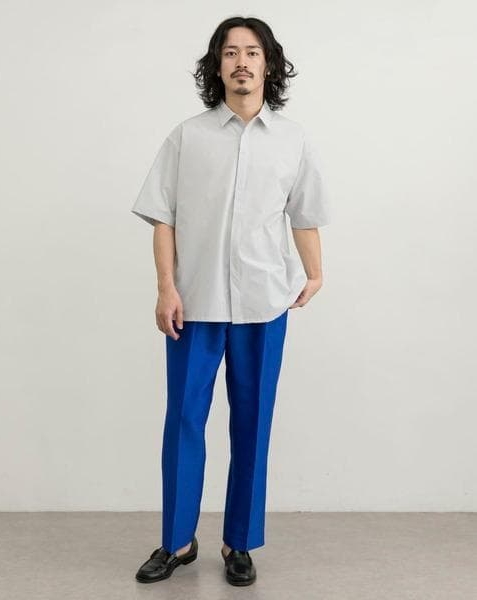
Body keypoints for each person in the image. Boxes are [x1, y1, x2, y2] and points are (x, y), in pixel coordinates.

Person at [131, 15, 331, 586]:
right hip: (194, 304)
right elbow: (163, 217)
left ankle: (238, 542)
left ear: (269, 64)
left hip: (263, 304)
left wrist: (315, 274)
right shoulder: (187, 137)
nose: (241, 61)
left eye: (252, 52)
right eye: (230, 52)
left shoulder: (293, 140)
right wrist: (166, 287)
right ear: (216, 66)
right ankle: (177, 541)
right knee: (183, 421)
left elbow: (304, 215)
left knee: (252, 423)